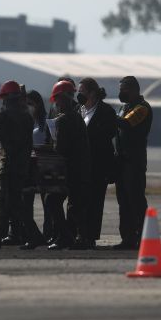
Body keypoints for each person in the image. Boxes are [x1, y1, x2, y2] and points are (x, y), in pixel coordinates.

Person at [0, 81, 44, 250]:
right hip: (21, 166)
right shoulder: (27, 116)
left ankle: (33, 236)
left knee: (9, 202)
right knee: (9, 202)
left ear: (7, 98)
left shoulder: (5, 115)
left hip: (8, 166)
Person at [47, 80, 91, 250]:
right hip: (81, 169)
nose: (56, 104)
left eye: (57, 100)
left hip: (70, 170)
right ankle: (79, 238)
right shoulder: (78, 118)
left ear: (64, 98)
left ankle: (66, 237)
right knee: (77, 205)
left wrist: (52, 143)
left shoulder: (63, 120)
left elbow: (61, 149)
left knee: (52, 199)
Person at [114, 76, 153, 250]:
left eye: (124, 89)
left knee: (135, 200)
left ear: (134, 90)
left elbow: (127, 124)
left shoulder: (142, 108)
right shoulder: (123, 107)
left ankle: (143, 237)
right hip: (121, 161)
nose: (121, 92)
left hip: (134, 162)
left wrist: (105, 112)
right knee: (123, 201)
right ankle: (127, 238)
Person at [78, 77, 117, 249]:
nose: (79, 96)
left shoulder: (106, 111)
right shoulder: (79, 110)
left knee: (95, 202)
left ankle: (90, 236)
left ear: (92, 93)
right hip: (81, 164)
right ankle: (80, 234)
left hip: (98, 164)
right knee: (80, 201)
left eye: (82, 92)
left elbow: (108, 135)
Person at [28, 90, 53, 243]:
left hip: (43, 164)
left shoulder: (45, 121)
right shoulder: (30, 121)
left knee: (47, 202)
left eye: (30, 104)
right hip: (31, 165)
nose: (28, 107)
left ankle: (47, 233)